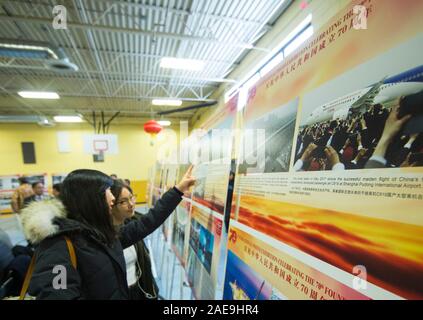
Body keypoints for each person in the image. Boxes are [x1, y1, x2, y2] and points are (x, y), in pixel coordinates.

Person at [20, 166, 195, 299]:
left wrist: (178, 191)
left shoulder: (100, 234)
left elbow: (146, 223)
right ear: (90, 198)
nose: (112, 198)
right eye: (107, 192)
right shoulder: (58, 246)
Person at [110, 180, 158, 300]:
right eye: (123, 201)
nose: (131, 204)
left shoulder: (132, 223)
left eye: (131, 198)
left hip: (137, 290)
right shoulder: (106, 236)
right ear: (111, 204)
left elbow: (154, 217)